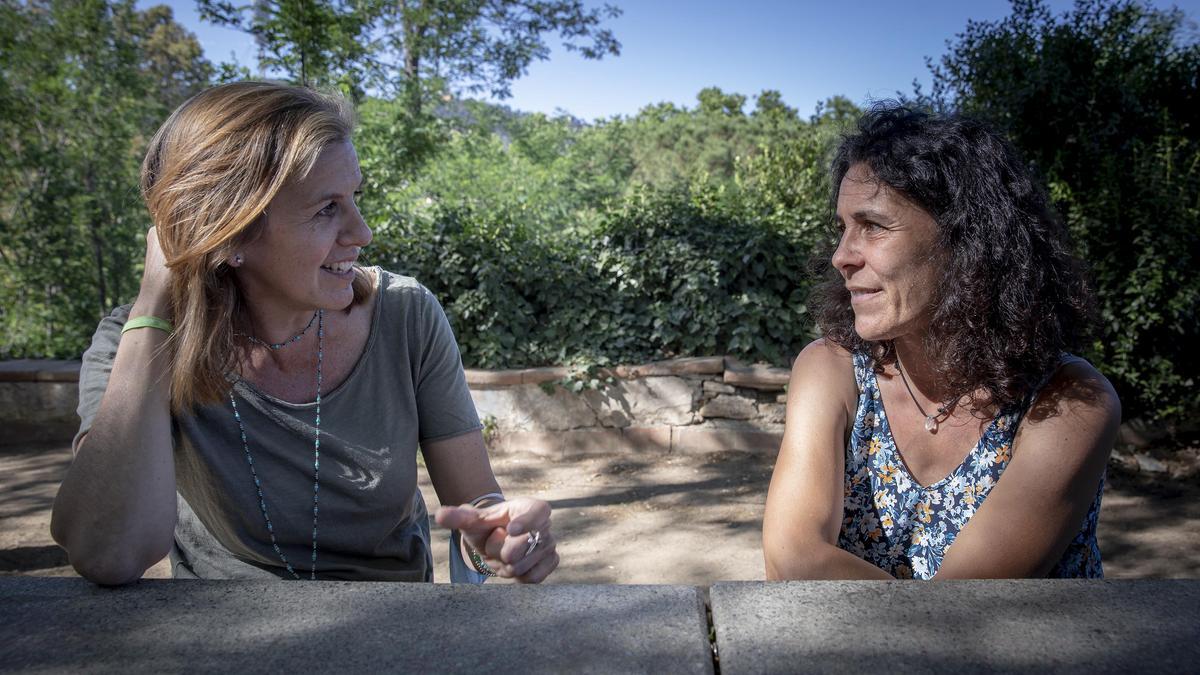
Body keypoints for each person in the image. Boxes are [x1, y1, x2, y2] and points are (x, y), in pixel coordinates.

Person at [51, 82, 558, 585]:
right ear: (227, 233)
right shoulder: (136, 341)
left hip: (396, 631)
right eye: (326, 208)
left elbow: (477, 503)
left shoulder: (406, 315)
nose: (362, 233)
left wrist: (499, 539)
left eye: (354, 197)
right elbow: (108, 554)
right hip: (217, 634)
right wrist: (157, 299)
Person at [762, 104, 1120, 580]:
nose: (841, 256)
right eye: (843, 228)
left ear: (966, 241)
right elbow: (793, 559)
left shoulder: (1070, 404)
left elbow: (960, 607)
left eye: (873, 226)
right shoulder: (832, 369)